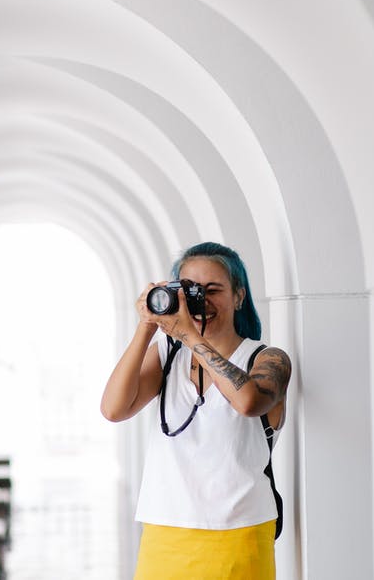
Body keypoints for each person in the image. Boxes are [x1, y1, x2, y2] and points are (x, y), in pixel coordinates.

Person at [100, 242, 292, 580]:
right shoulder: (166, 356)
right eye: (190, 292)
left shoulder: (267, 358)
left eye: (212, 290)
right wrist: (147, 325)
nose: (200, 301)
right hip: (166, 532)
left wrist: (189, 334)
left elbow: (248, 401)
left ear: (239, 296)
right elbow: (113, 409)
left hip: (240, 533)